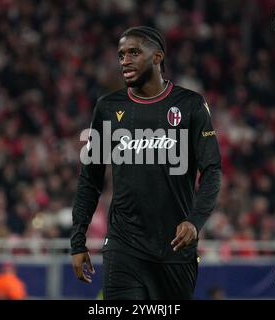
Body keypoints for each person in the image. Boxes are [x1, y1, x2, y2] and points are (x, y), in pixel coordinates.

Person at [70, 26, 222, 299]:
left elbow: (212, 171)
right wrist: (77, 241)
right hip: (123, 247)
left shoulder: (191, 106)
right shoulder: (107, 107)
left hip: (175, 249)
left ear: (157, 57)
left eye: (134, 52)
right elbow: (89, 179)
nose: (124, 60)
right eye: (121, 55)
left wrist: (194, 221)